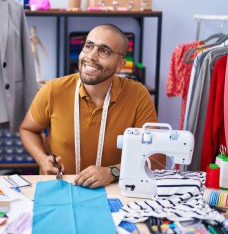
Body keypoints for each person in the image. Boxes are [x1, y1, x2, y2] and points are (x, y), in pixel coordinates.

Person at [20, 24, 164, 188]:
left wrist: (112, 172)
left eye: (105, 51)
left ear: (120, 65)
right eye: (88, 46)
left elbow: (156, 158)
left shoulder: (138, 95)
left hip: (113, 192)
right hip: (59, 188)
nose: (91, 56)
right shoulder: (53, 90)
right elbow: (28, 129)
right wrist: (42, 158)